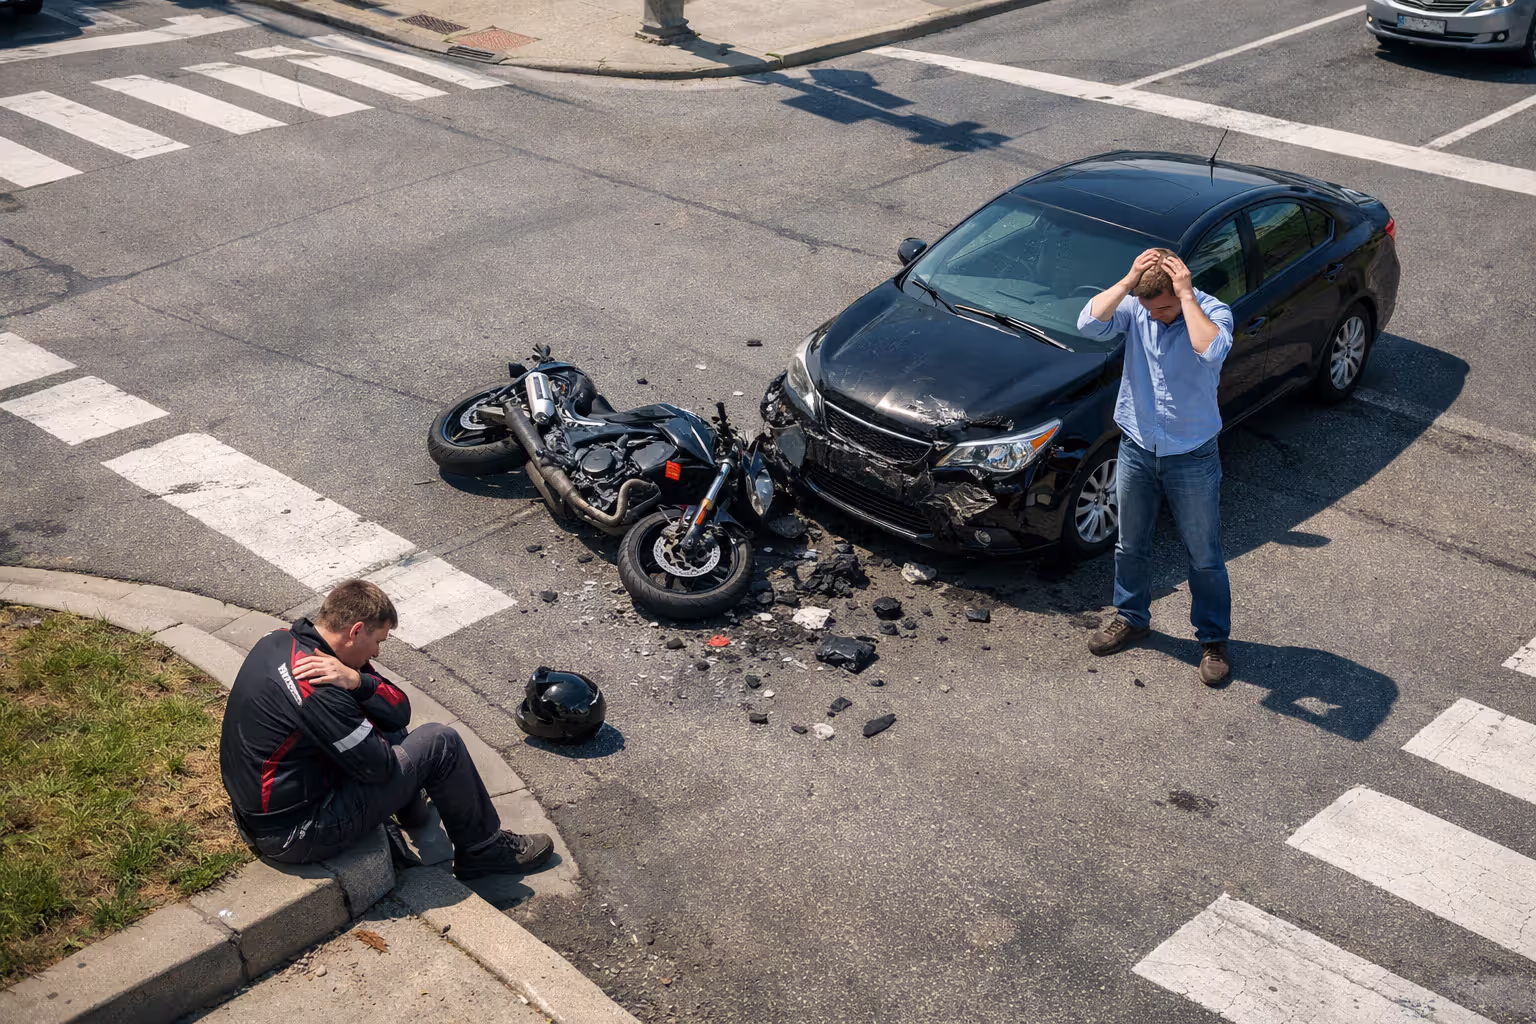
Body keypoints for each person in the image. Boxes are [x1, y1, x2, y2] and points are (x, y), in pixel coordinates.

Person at [219, 579, 554, 878]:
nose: (378, 651)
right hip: (295, 834)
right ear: (356, 631)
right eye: (378, 640)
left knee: (389, 728)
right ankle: (483, 850)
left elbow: (399, 712)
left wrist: (359, 681)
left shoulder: (280, 641)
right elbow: (381, 768)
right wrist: (408, 763)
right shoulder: (318, 689)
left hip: (264, 813)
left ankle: (413, 813)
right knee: (440, 743)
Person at [1075, 248, 1235, 686]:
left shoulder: (1211, 311)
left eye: (1163, 307)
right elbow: (1087, 323)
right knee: (1130, 544)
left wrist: (1185, 298)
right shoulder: (1138, 307)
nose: (1155, 316)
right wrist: (1129, 282)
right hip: (1138, 446)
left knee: (1204, 555)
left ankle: (1213, 639)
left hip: (1192, 453)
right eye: (1148, 308)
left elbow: (1211, 350)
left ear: (1179, 290)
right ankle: (1131, 617)